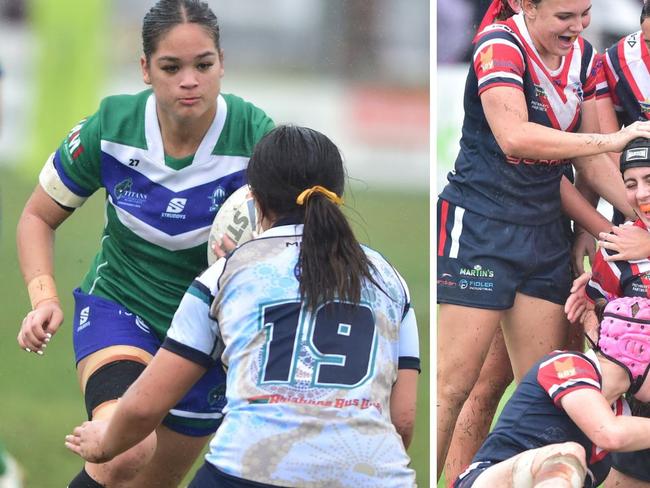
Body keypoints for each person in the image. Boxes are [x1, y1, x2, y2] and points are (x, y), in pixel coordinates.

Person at [63, 125, 421, 487]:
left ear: (256, 201)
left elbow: (144, 406)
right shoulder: (390, 280)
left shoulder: (226, 273)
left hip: (250, 473)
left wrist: (104, 444)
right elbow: (402, 421)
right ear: (337, 195)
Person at [15, 1, 274, 486]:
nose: (189, 80)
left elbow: (307, 230)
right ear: (145, 69)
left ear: (223, 63)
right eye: (171, 67)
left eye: (204, 64)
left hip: (208, 338)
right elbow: (35, 216)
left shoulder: (257, 138)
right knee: (122, 453)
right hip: (121, 307)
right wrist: (43, 298)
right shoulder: (112, 127)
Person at [436, 0, 650, 480]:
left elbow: (588, 165)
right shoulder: (498, 46)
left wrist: (627, 228)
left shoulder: (587, 58)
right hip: (482, 227)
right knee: (457, 389)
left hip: (548, 233)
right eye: (565, 16)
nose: (578, 26)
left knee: (551, 394)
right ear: (524, 6)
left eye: (585, 13)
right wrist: (612, 145)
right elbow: (515, 138)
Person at [454, 295, 650, 488]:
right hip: (488, 477)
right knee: (567, 456)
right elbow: (608, 433)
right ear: (637, 350)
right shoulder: (567, 365)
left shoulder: (621, 413)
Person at [566, 137, 650, 488]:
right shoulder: (618, 245)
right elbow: (608, 325)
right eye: (631, 184)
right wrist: (590, 310)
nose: (640, 194)